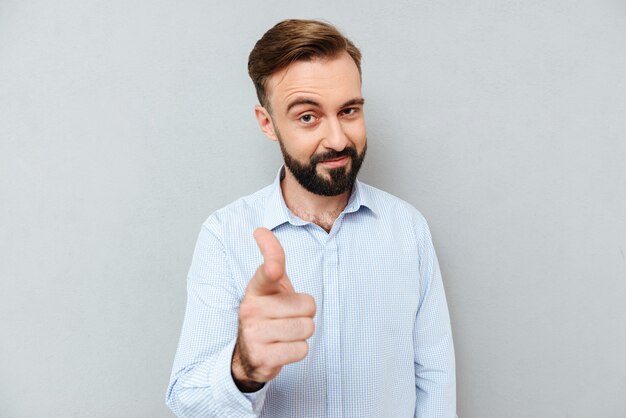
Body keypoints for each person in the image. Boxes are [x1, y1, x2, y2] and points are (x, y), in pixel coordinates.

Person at [166, 19, 457, 417]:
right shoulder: (225, 235)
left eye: (349, 110)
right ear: (267, 123)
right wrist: (244, 369)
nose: (338, 139)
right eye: (308, 117)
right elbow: (188, 402)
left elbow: (435, 382)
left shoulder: (408, 229)